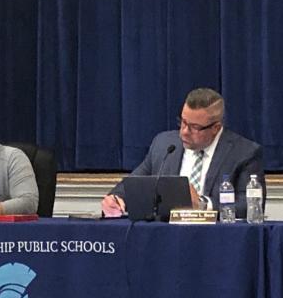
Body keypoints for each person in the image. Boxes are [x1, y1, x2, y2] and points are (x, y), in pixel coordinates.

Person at [101, 87, 264, 219]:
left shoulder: (244, 152)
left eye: (194, 127)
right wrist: (116, 198)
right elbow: (133, 183)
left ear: (215, 128)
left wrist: (202, 205)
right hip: (166, 236)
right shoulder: (164, 144)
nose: (184, 132)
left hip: (217, 241)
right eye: (183, 122)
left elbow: (250, 205)